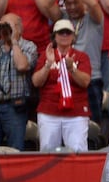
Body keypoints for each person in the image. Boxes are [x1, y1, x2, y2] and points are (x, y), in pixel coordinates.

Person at [31, 18, 92, 152]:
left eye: (68, 33)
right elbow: (36, 82)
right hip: (49, 112)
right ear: (54, 37)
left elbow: (85, 82)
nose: (64, 36)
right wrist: (48, 64)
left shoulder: (81, 57)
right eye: (61, 33)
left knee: (78, 151)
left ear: (73, 36)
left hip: (76, 113)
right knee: (47, 152)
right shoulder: (46, 56)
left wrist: (73, 69)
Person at [0, 13, 36, 151]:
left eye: (8, 26)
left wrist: (14, 41)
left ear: (19, 29)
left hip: (14, 106)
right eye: (2, 25)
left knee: (15, 150)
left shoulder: (28, 46)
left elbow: (22, 65)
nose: (5, 29)